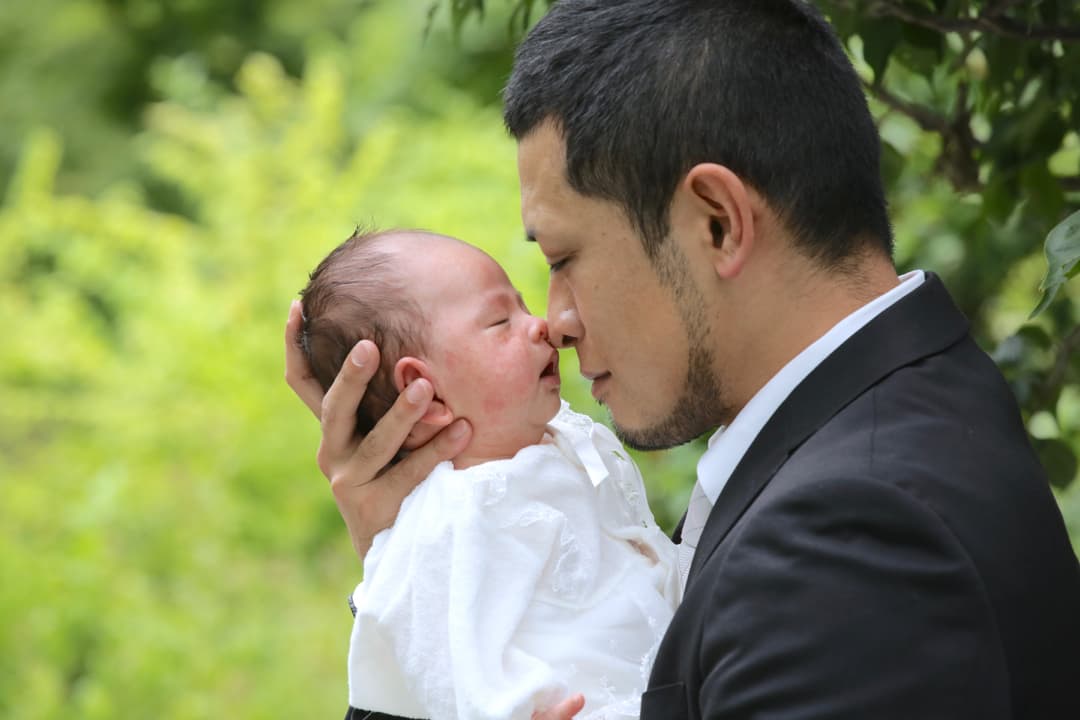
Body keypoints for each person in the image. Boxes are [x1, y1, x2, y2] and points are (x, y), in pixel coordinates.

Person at [286, 1, 1080, 718]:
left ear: (718, 223)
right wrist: (413, 566)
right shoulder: (904, 412)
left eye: (563, 258)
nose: (556, 321)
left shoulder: (845, 541)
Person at [297, 228, 680, 720]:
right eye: (501, 321)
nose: (540, 325)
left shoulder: (562, 437)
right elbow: (442, 654)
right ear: (421, 391)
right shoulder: (452, 515)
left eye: (523, 306)